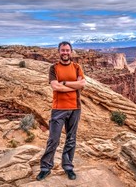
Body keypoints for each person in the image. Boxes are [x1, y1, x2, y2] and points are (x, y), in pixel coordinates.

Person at [36, 41, 86, 181]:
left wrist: (64, 83)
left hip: (75, 107)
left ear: (71, 52)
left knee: (71, 138)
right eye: (62, 50)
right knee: (53, 139)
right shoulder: (54, 68)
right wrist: (73, 86)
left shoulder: (77, 67)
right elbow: (55, 87)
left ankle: (68, 167)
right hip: (58, 108)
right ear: (59, 52)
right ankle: (45, 168)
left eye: (67, 50)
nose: (65, 53)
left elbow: (82, 84)